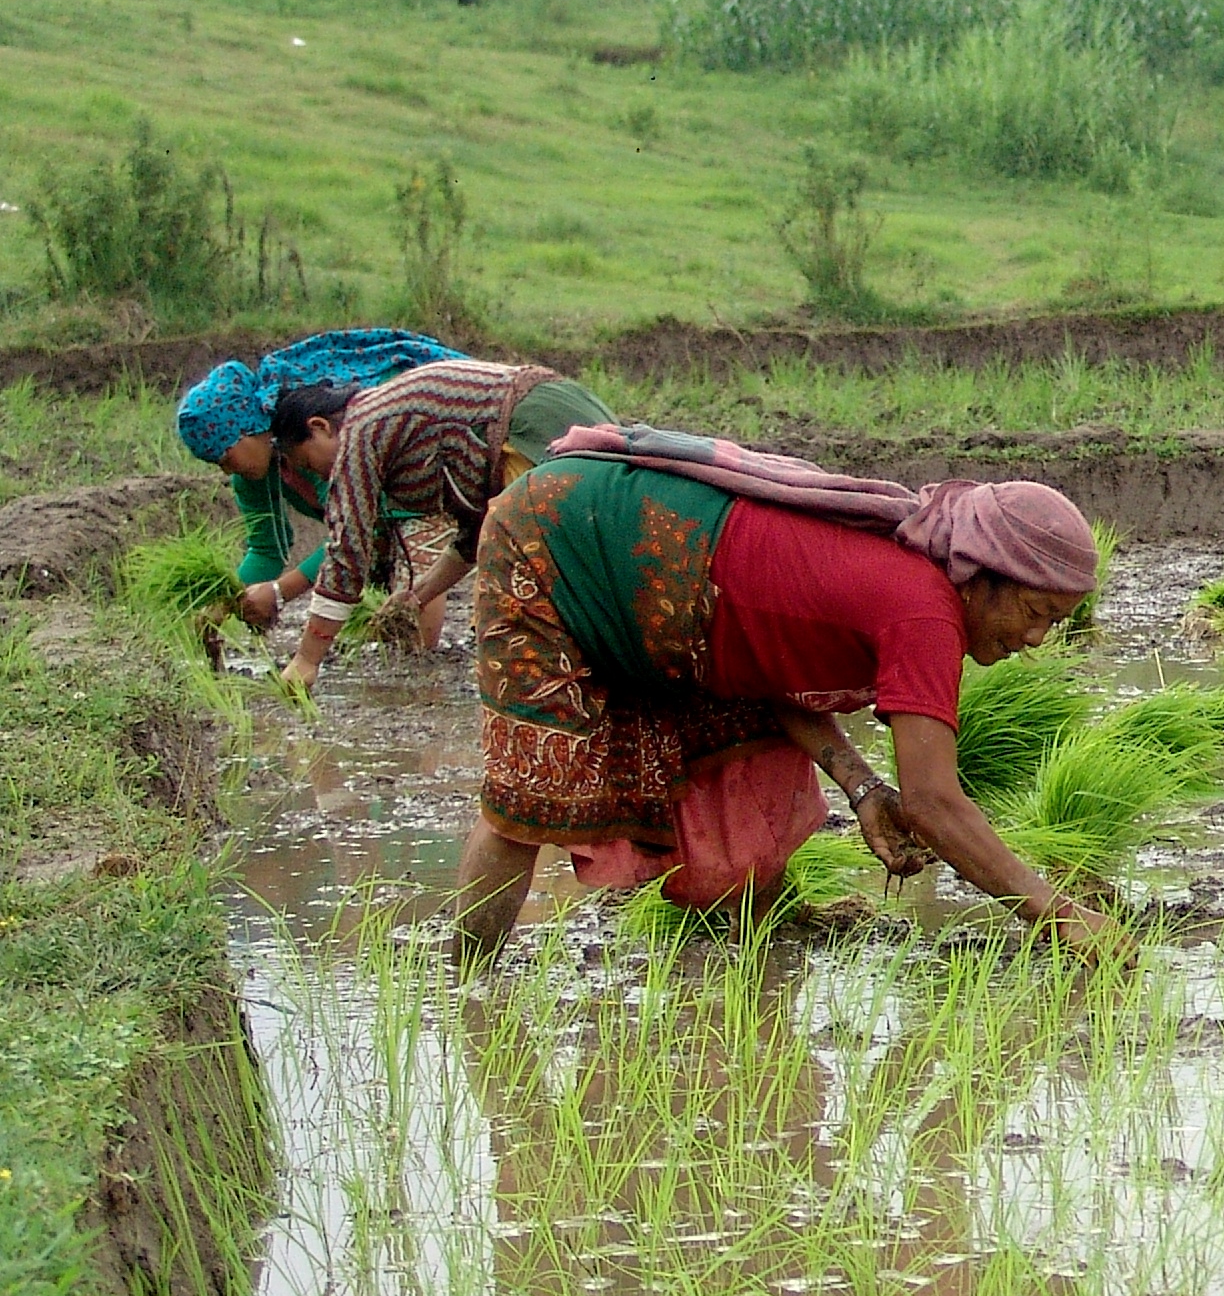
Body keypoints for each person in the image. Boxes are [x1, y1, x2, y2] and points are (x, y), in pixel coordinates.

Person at [452, 423, 1122, 965]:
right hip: (558, 536)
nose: (1035, 637)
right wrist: (1057, 914)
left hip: (683, 599)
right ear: (980, 574)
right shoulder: (924, 612)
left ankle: (748, 974)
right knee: (531, 787)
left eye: (1053, 624)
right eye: (1033, 612)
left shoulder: (916, 581)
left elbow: (770, 675)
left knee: (752, 768)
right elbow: (934, 802)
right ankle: (466, 984)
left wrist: (860, 788)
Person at [269, 358, 616, 691]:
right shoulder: (385, 419)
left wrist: (306, 660)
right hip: (565, 410)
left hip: (539, 428)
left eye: (308, 463)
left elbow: (347, 550)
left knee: (526, 595)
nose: (322, 475)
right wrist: (417, 597)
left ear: (319, 427)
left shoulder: (360, 430)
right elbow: (478, 528)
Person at [173, 329, 467, 634]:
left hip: (421, 485)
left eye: (225, 457)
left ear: (247, 429)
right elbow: (266, 550)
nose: (225, 471)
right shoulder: (252, 470)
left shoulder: (315, 438)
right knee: (388, 621)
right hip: (375, 519)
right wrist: (224, 606)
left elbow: (350, 531)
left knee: (413, 628)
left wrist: (279, 592)